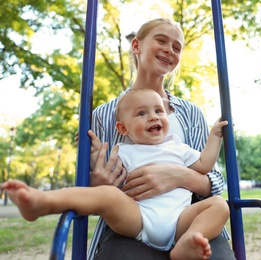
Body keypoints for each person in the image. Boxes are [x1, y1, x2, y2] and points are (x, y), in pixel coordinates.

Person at [1, 88, 230, 260]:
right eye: (142, 113)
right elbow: (110, 177)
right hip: (139, 218)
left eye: (158, 111)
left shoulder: (178, 147)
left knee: (219, 205)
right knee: (108, 195)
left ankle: (188, 242)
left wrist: (215, 137)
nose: (153, 116)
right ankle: (43, 203)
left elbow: (203, 164)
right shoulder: (124, 151)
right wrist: (94, 155)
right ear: (123, 128)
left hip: (181, 221)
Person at [86, 18, 236, 259]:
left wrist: (179, 175)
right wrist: (98, 182)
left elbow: (215, 183)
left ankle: (186, 245)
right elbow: (94, 186)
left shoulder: (190, 113)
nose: (170, 50)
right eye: (161, 41)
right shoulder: (105, 114)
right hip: (133, 222)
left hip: (186, 218)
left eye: (177, 47)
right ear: (136, 46)